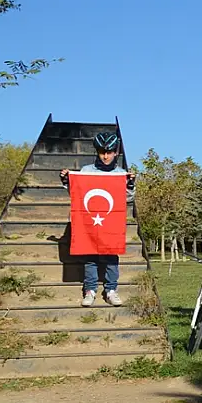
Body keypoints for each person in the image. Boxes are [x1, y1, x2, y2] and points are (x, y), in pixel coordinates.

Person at [60, 131, 136, 307]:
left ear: (116, 152)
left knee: (111, 256)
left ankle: (111, 290)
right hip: (89, 222)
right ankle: (90, 290)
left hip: (110, 222)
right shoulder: (86, 171)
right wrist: (67, 181)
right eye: (102, 152)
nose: (106, 156)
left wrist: (130, 185)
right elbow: (77, 193)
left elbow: (127, 199)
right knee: (90, 257)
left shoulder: (120, 173)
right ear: (97, 151)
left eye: (109, 152)